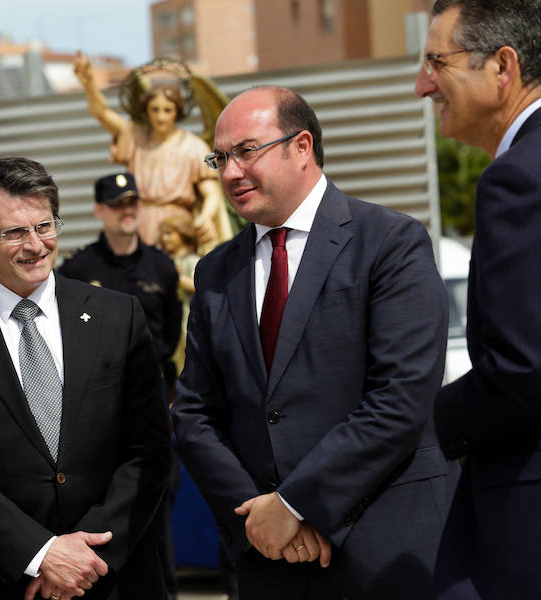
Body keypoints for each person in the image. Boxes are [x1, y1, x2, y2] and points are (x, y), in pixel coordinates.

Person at [172, 86, 455, 599]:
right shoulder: (216, 271)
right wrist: (258, 518)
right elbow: (194, 415)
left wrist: (296, 504)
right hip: (269, 562)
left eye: (246, 151)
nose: (230, 172)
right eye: (221, 157)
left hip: (386, 552)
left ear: (301, 146)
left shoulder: (390, 242)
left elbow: (399, 399)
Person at [0, 157, 172, 600]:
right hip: (1, 579)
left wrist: (86, 555)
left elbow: (149, 450)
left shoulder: (118, 316)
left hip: (113, 574)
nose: (36, 245)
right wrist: (40, 553)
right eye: (14, 232)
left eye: (45, 226)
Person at [415, 1, 541, 597]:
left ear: (504, 67)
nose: (423, 86)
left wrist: (417, 430)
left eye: (437, 62)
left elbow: (523, 367)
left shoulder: (519, 178)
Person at [73, 55, 229, 252]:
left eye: (167, 110)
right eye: (154, 110)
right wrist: (89, 84)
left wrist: (205, 217)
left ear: (177, 112)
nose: (160, 116)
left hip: (177, 226)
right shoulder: (135, 138)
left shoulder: (193, 146)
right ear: (146, 112)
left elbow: (211, 192)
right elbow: (102, 113)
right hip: (140, 222)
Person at [58, 172, 181, 388]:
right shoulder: (78, 268)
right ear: (99, 210)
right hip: (98, 386)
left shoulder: (162, 266)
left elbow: (172, 328)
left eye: (132, 203)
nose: (127, 211)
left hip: (152, 381)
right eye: (117, 205)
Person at [157, 214, 200, 374]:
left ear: (183, 233)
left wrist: (176, 278)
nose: (164, 238)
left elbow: (198, 285)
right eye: (162, 234)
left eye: (169, 233)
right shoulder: (166, 262)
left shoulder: (192, 261)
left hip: (188, 314)